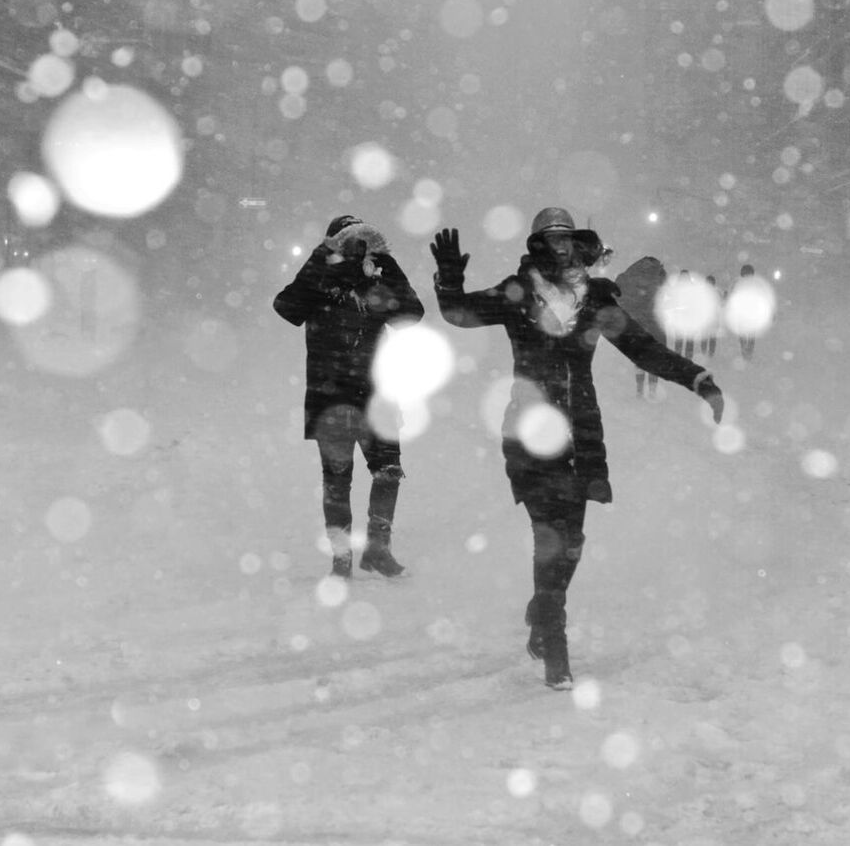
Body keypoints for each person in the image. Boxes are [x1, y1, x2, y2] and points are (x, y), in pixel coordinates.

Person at [432, 208, 725, 690]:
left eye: (567, 238)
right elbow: (459, 314)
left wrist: (699, 379)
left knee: (571, 544)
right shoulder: (518, 293)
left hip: (581, 436)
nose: (561, 246)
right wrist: (448, 278)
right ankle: (556, 652)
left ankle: (541, 613)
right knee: (549, 540)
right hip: (528, 431)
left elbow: (643, 348)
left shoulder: (594, 302)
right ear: (538, 245)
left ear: (578, 244)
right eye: (552, 239)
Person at [273, 215, 424, 579]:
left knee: (388, 471)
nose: (355, 248)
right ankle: (341, 560)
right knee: (338, 480)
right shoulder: (320, 279)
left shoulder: (377, 278)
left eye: (361, 241)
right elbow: (286, 307)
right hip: (330, 396)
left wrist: (387, 268)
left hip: (377, 396)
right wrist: (321, 261)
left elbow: (411, 314)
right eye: (345, 241)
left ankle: (377, 548)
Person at [613, 255, 670, 399]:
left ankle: (639, 388)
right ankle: (651, 389)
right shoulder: (659, 277)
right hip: (655, 323)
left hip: (637, 322)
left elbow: (619, 291)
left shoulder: (632, 274)